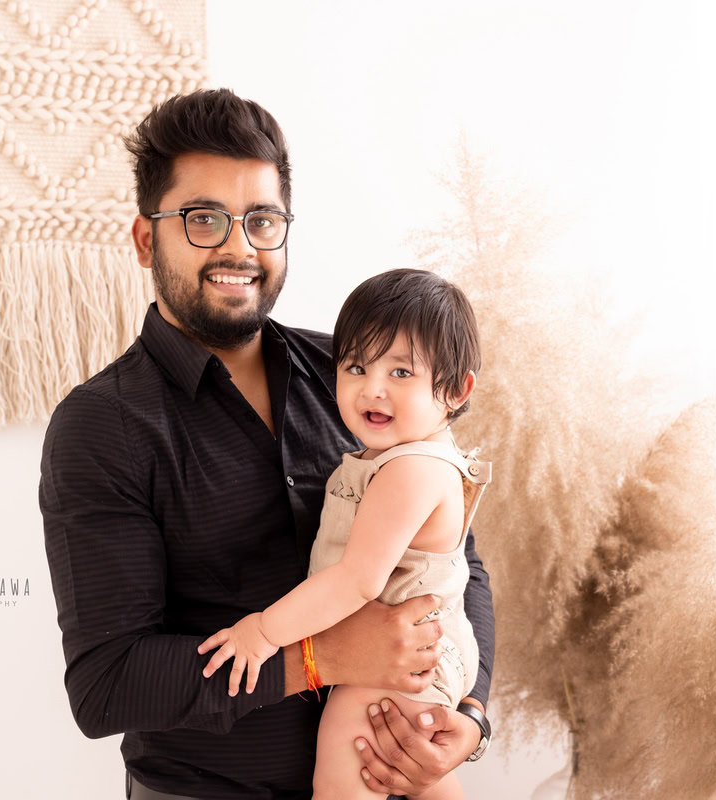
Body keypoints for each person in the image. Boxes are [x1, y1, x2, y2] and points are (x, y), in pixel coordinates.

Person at [39, 89, 495, 800]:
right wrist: (318, 656)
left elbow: (460, 562)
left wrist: (468, 716)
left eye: (262, 220)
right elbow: (108, 684)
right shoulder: (103, 427)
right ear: (143, 238)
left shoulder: (352, 378)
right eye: (202, 220)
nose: (237, 247)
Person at [197, 269, 490, 799]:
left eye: (401, 372)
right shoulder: (399, 457)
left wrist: (263, 633)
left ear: (455, 389)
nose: (371, 388)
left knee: (344, 762)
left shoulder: (411, 470)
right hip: (422, 651)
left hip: (406, 658)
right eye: (356, 366)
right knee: (419, 776)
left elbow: (356, 580)